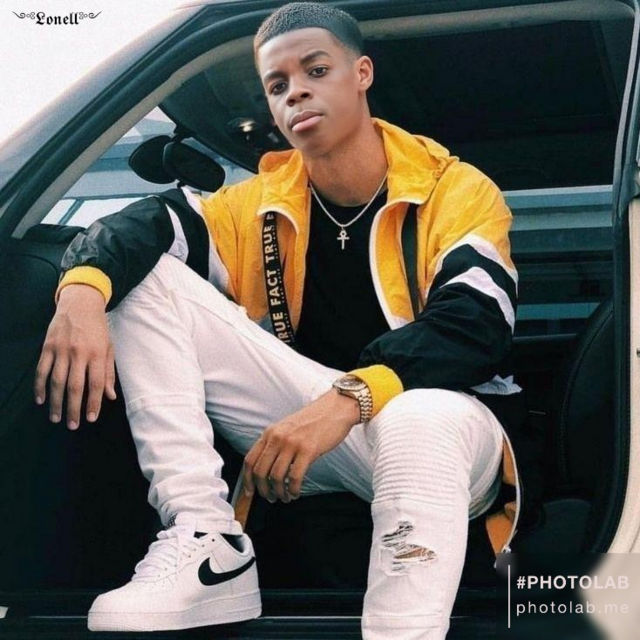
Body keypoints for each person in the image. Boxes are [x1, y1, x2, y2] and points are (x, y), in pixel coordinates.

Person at [34, 3, 537, 638]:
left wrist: (346, 400)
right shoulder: (255, 205)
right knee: (143, 278)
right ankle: (208, 540)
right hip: (320, 433)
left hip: (449, 435)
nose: (295, 91)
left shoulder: (454, 189)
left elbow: (475, 325)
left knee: (418, 415)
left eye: (315, 70)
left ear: (361, 73)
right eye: (277, 84)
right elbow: (143, 225)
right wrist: (81, 292)